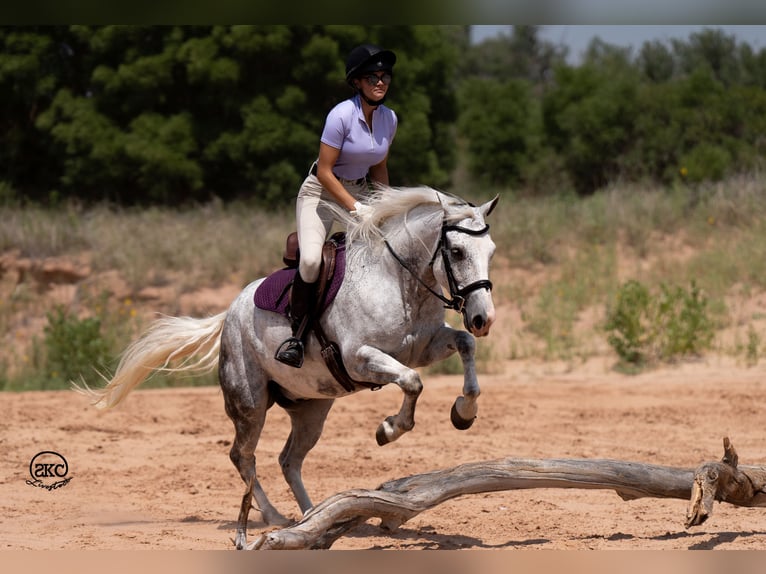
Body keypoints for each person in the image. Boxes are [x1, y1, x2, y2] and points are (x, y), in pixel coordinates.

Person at [274, 43, 398, 368]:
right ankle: (296, 336)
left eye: (385, 75)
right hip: (321, 193)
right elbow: (326, 172)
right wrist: (357, 209)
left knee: (389, 251)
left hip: (359, 192)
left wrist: (388, 206)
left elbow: (379, 168)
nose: (380, 82)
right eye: (372, 76)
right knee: (313, 261)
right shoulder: (340, 115)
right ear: (357, 82)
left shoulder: (390, 119)